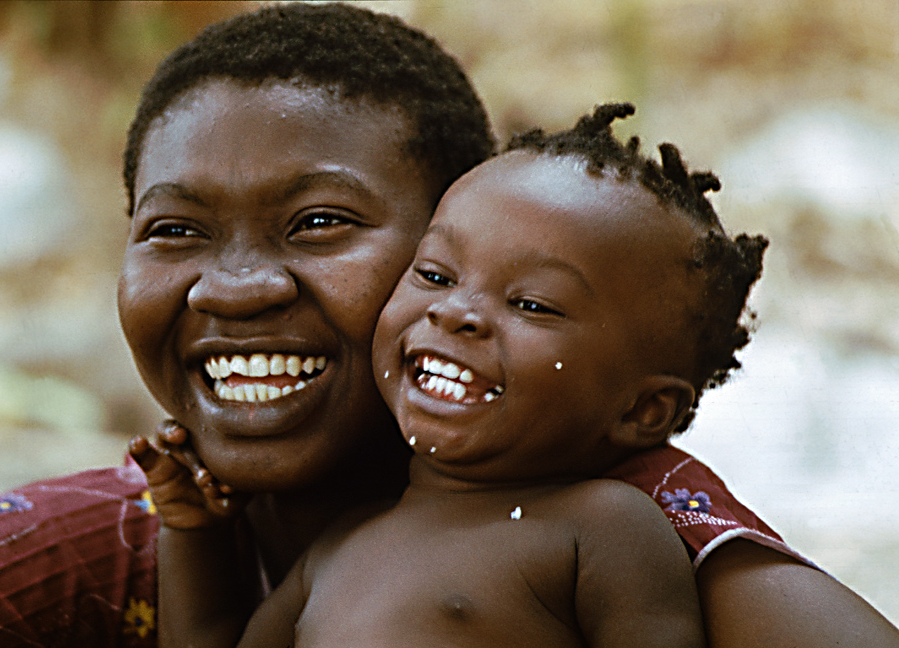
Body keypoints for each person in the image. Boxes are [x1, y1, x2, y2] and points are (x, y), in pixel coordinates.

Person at [0, 4, 897, 648]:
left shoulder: (614, 513)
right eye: (173, 229)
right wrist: (189, 533)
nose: (236, 287)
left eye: (321, 223)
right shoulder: (259, 532)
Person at [138, 102, 732, 648]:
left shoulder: (604, 527)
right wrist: (193, 536)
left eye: (531, 304)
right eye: (436, 275)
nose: (453, 312)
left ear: (642, 411)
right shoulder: (344, 543)